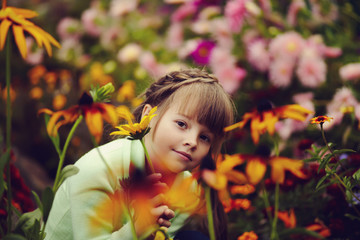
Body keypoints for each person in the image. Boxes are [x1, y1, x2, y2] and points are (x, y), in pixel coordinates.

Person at [44, 68, 235, 240]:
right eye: (182, 124)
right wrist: (140, 227)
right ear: (148, 116)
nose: (192, 142)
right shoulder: (100, 169)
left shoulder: (187, 190)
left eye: (204, 137)